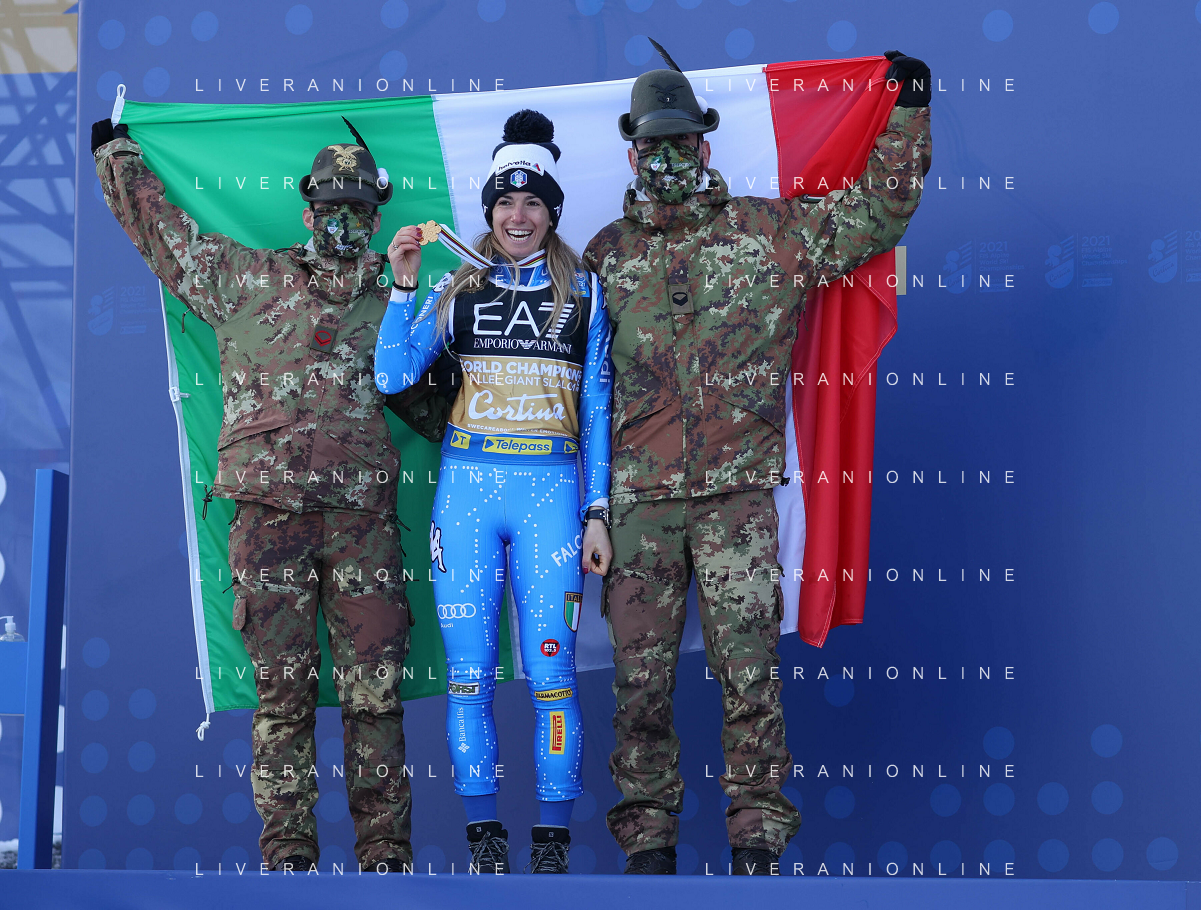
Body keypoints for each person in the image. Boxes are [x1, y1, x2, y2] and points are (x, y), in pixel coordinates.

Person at [583, 46, 933, 875]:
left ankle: (757, 844)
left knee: (750, 681)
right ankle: (647, 846)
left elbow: (878, 213)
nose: (667, 161)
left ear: (704, 146)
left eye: (681, 144)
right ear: (631, 156)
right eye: (652, 147)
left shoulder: (767, 234)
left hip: (736, 501)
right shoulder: (604, 257)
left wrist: (909, 112)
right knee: (638, 686)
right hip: (639, 507)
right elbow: (562, 376)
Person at [92, 116, 447, 873]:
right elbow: (165, 236)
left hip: (362, 527)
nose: (344, 223)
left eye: (358, 211)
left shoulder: (398, 300)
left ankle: (386, 861)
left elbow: (442, 409)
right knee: (282, 700)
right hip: (268, 522)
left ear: (375, 217)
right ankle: (288, 864)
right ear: (307, 212)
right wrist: (117, 157)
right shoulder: (247, 279)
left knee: (375, 700)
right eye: (331, 209)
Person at [375, 110, 612, 875]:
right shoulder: (456, 286)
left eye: (533, 203)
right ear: (488, 210)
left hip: (551, 496)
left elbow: (597, 411)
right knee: (468, 679)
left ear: (551, 211)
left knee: (552, 680)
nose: (517, 216)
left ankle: (551, 847)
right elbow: (391, 374)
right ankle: (484, 843)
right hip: (468, 495)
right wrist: (403, 286)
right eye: (505, 203)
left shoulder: (586, 293)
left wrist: (597, 512)